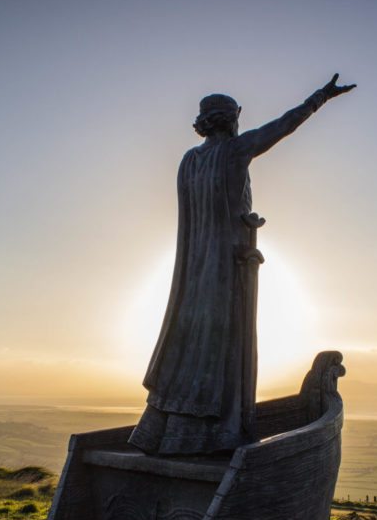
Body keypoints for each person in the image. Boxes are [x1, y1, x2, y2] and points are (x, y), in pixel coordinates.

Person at [129, 74, 356, 456]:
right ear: (231, 119)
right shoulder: (234, 151)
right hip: (227, 265)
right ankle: (216, 432)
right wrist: (321, 97)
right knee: (223, 343)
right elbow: (284, 125)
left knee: (190, 339)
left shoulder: (188, 161)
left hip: (193, 268)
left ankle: (170, 426)